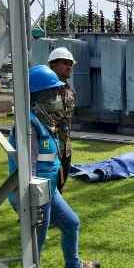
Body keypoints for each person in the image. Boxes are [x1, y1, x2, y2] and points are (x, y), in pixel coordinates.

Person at [8, 65, 100, 268]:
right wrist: (32, 205)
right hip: (36, 194)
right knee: (35, 245)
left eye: (57, 93)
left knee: (71, 223)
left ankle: (73, 266)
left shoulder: (43, 120)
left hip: (49, 190)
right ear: (37, 97)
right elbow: (27, 170)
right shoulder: (28, 125)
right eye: (51, 94)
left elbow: (48, 159)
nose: (57, 98)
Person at [47, 47, 76, 194]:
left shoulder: (70, 91)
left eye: (71, 63)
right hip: (48, 143)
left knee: (61, 181)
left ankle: (56, 211)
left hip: (65, 144)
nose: (69, 67)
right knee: (46, 181)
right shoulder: (44, 89)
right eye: (65, 63)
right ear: (52, 65)